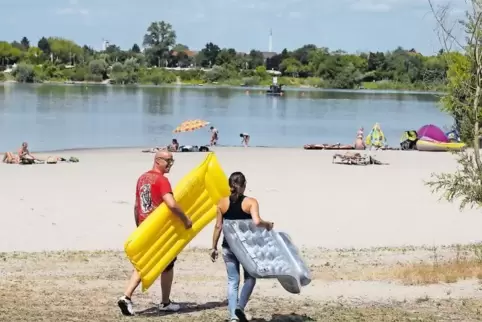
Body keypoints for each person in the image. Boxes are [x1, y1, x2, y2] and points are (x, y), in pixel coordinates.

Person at [117, 150, 193, 316]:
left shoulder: (142, 178)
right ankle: (157, 301)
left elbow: (137, 205)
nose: (170, 164)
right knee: (164, 263)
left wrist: (139, 226)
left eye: (172, 161)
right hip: (159, 228)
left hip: (145, 226)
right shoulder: (162, 180)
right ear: (158, 161)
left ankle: (132, 297)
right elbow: (171, 204)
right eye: (168, 161)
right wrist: (185, 219)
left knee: (153, 262)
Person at [210, 172, 274, 322]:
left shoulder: (221, 203)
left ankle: (233, 317)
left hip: (228, 247)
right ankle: (240, 307)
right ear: (244, 185)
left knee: (233, 280)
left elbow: (218, 226)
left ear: (230, 186)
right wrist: (268, 225)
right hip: (247, 248)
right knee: (250, 278)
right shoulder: (251, 202)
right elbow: (257, 222)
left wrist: (213, 247)